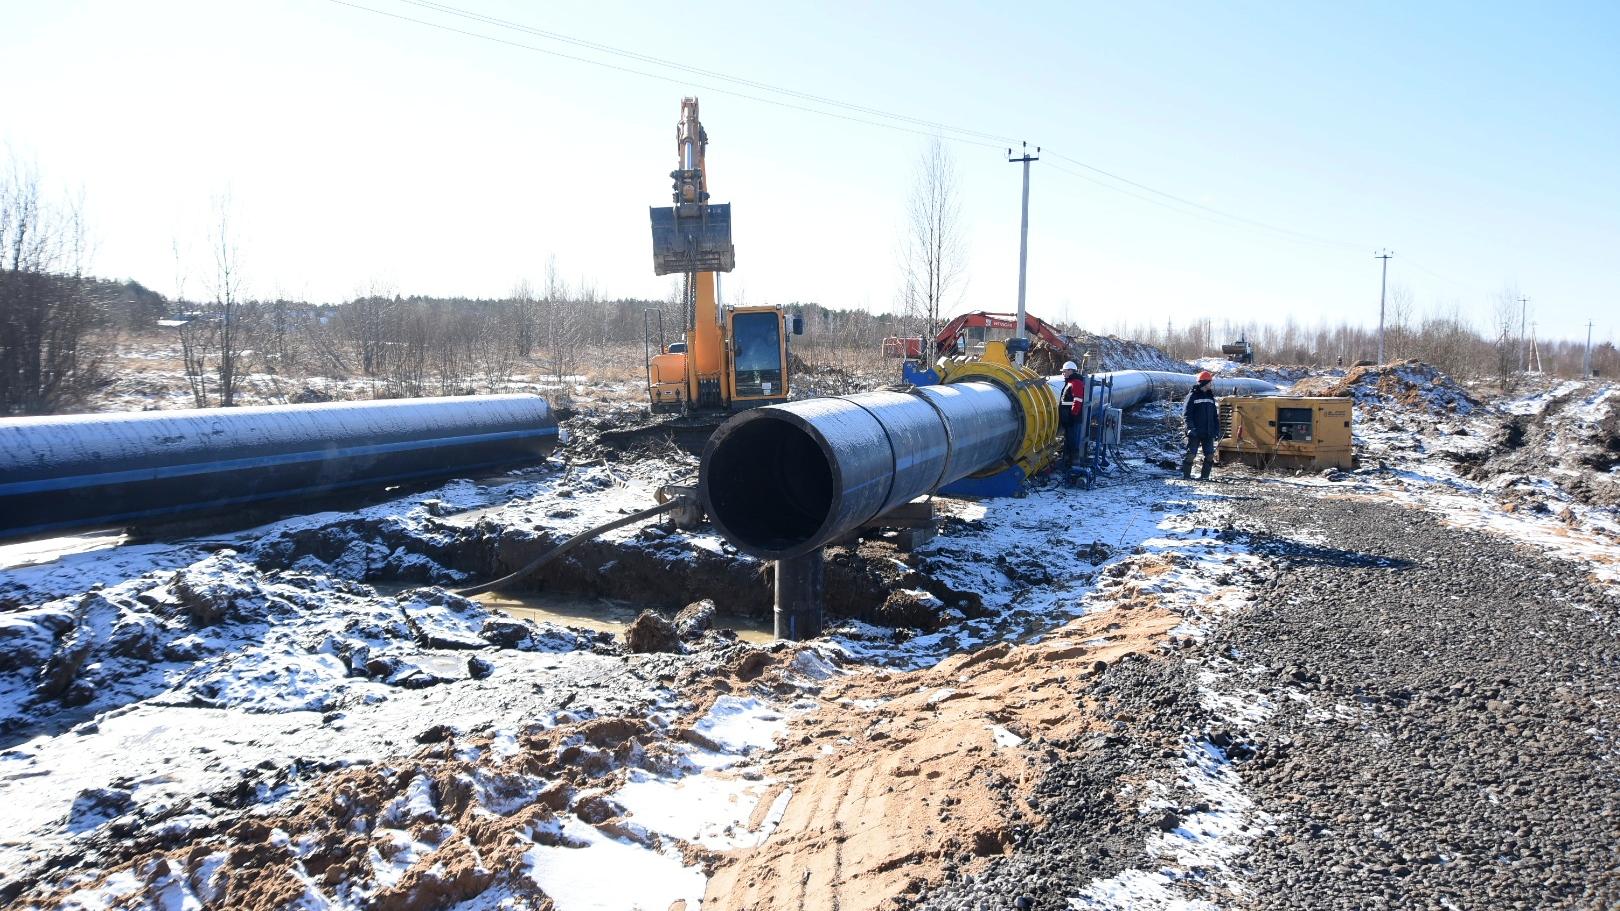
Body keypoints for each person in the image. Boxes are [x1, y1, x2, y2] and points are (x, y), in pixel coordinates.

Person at [1181, 369, 1219, 480]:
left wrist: (1216, 430)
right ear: (1204, 383)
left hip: (1208, 432)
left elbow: (1214, 417)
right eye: (1209, 382)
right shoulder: (1192, 396)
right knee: (1191, 455)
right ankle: (1186, 477)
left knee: (1210, 455)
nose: (1211, 384)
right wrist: (1190, 428)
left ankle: (1204, 478)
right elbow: (1187, 415)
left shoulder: (1210, 397)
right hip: (1195, 432)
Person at [1059, 361, 1085, 469]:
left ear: (1070, 371)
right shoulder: (1070, 382)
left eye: (1064, 371)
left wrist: (1073, 415)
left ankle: (1075, 466)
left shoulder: (1075, 383)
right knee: (1069, 440)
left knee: (1073, 442)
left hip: (1072, 418)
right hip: (1068, 418)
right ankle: (1068, 463)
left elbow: (1077, 400)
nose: (1063, 373)